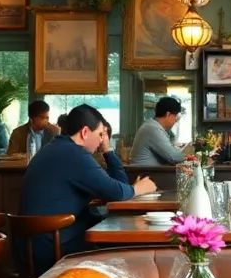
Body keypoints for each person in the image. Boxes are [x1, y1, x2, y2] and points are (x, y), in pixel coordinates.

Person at [18, 104, 156, 269]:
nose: (101, 140)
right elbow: (118, 192)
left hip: (33, 246)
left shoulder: (56, 148)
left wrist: (107, 149)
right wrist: (142, 187)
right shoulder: (74, 154)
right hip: (51, 249)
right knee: (127, 250)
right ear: (84, 132)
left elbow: (119, 186)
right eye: (99, 135)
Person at [129, 96, 186, 166]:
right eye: (175, 116)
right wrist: (186, 153)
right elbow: (174, 158)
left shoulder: (152, 126)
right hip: (145, 175)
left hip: (151, 173)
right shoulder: (153, 129)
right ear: (168, 114)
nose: (175, 120)